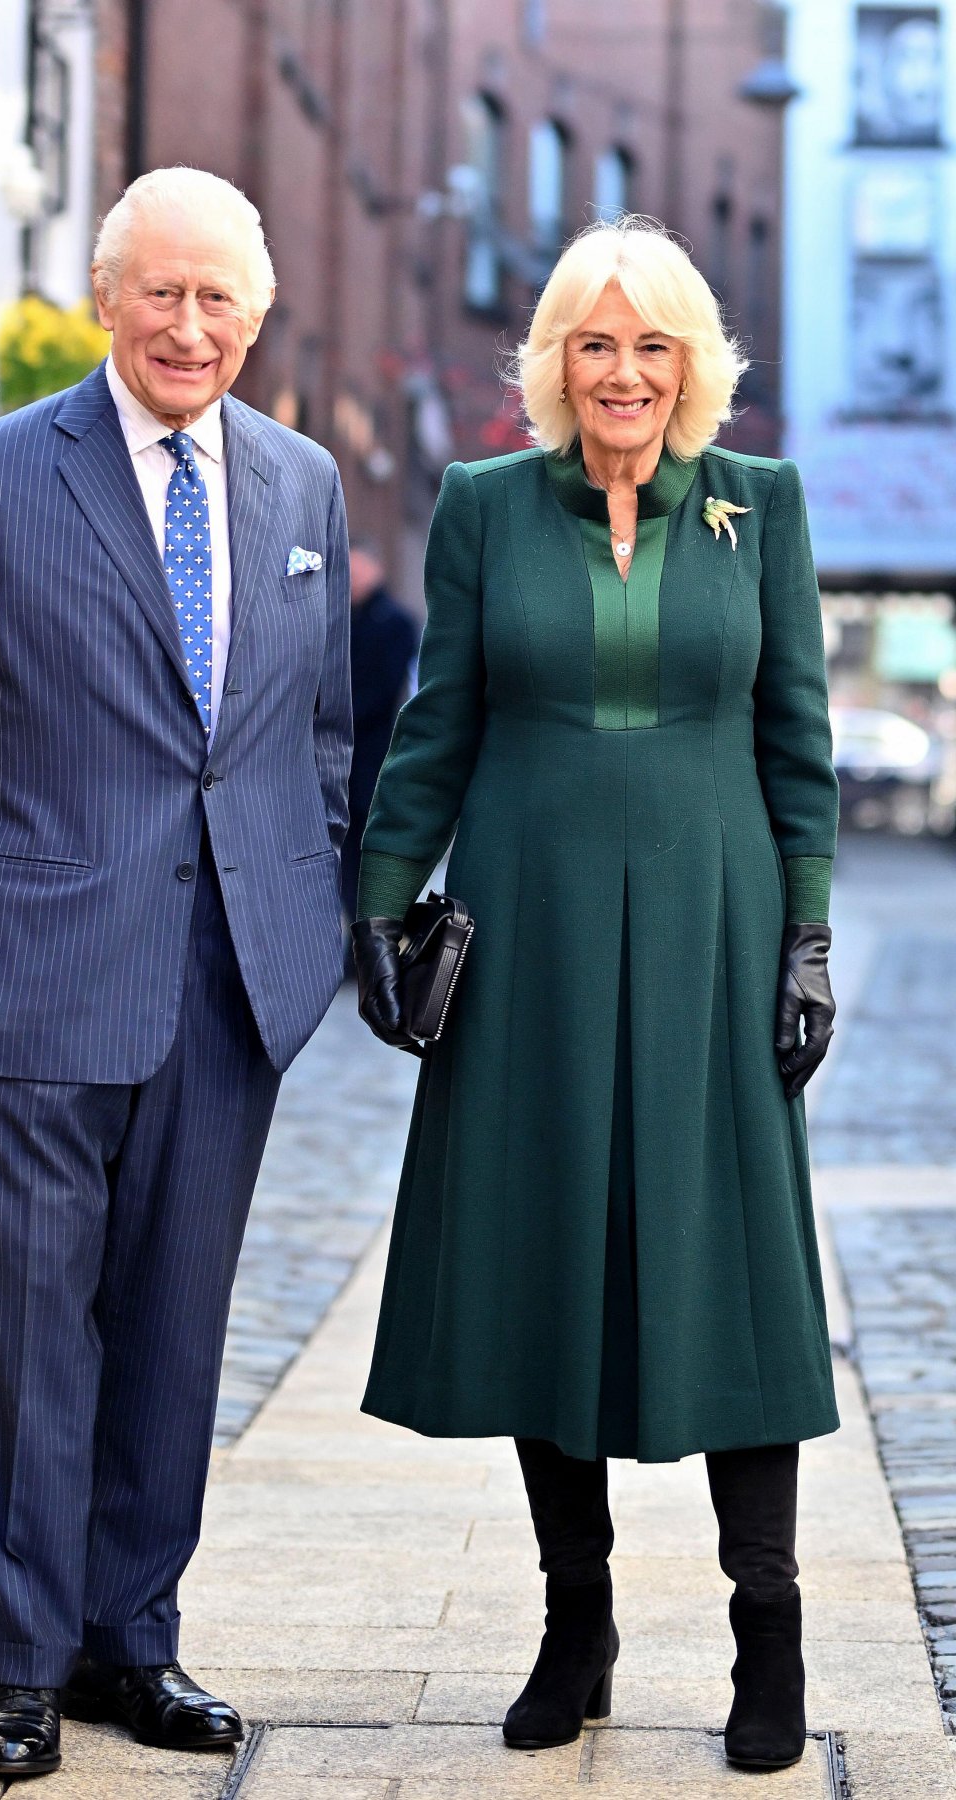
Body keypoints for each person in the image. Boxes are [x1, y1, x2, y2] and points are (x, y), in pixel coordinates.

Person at [0, 166, 351, 1781]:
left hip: (230, 985)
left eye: (221, 298)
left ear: (258, 314)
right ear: (106, 298)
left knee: (173, 1328)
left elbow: (321, 740)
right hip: (32, 975)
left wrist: (313, 911)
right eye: (164, 292)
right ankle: (17, 1668)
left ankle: (129, 1644)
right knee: (29, 1331)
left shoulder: (302, 487)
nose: (192, 326)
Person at [352, 216, 839, 1774]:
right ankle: (579, 1624)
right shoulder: (485, 505)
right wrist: (377, 904)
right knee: (547, 1254)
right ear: (554, 364)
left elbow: (798, 743)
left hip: (717, 916)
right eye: (593, 342)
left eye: (650, 343)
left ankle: (771, 1631)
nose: (622, 370)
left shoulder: (758, 508)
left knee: (735, 1262)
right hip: (534, 925)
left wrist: (809, 938)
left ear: (693, 364)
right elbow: (440, 724)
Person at [342, 544, 419, 928]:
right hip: (346, 758)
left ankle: (371, 932)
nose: (351, 580)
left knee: (366, 851)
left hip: (374, 755)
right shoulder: (346, 619)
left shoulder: (394, 623)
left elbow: (384, 691)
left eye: (356, 572)